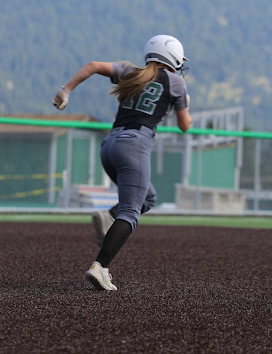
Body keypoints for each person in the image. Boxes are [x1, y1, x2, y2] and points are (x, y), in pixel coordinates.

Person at [52, 35, 192, 291]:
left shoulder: (131, 72)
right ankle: (100, 267)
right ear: (173, 58)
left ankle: (108, 215)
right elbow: (185, 126)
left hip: (110, 145)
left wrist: (66, 90)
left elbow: (93, 65)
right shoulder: (175, 83)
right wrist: (186, 103)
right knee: (131, 212)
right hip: (134, 146)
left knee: (147, 199)